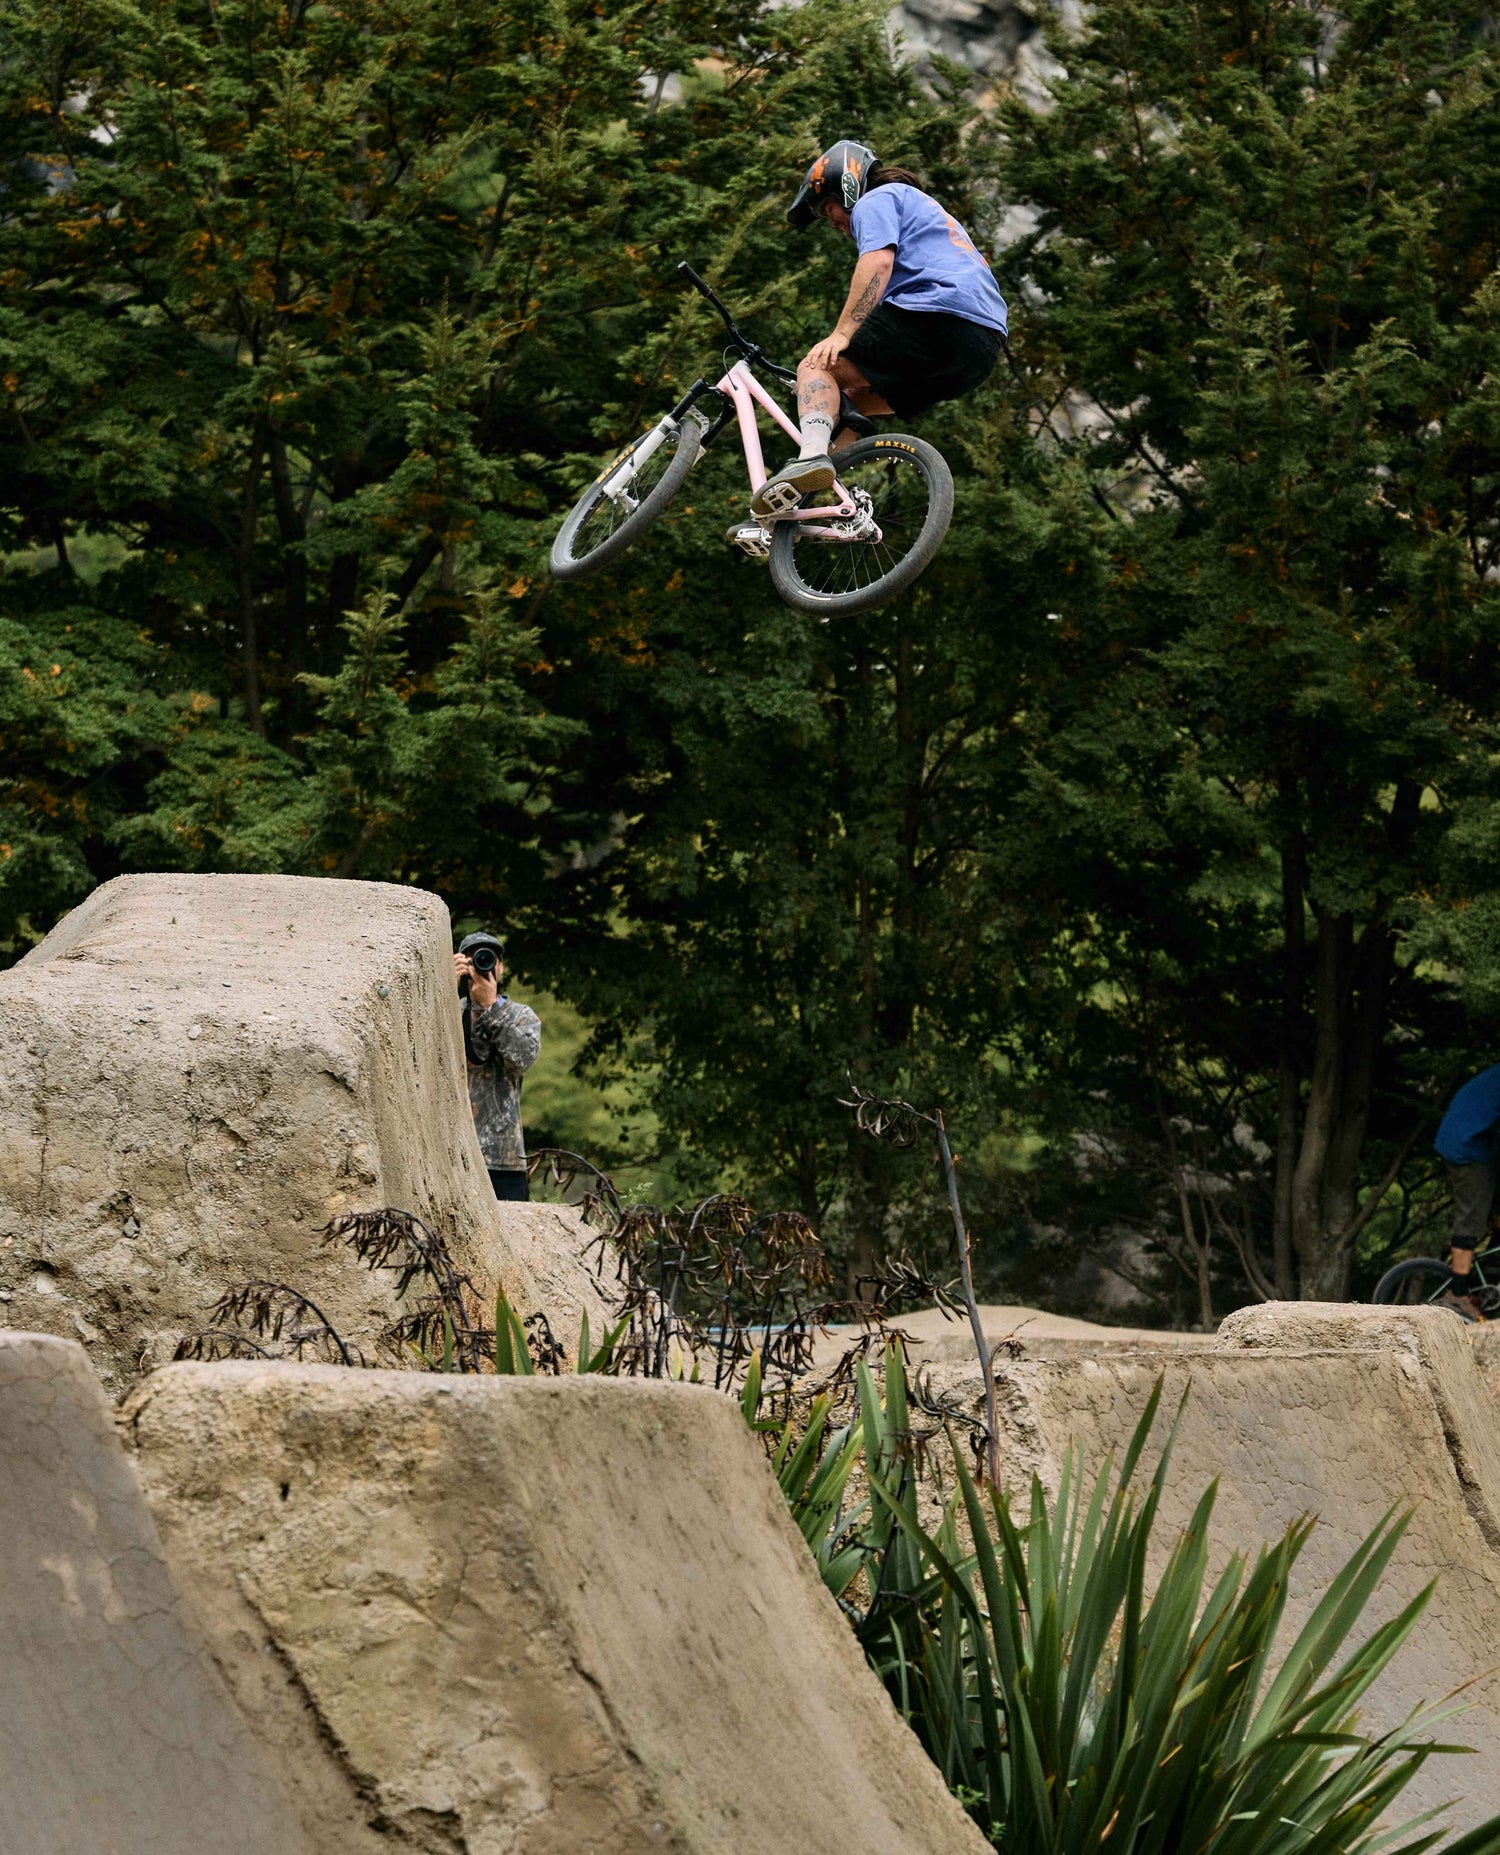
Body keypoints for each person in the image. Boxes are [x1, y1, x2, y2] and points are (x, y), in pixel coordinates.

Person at [750, 139, 1009, 520]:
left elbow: (878, 264)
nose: (834, 221)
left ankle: (810, 458)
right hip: (980, 349)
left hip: (937, 315)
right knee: (848, 398)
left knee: (818, 366)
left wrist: (840, 336)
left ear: (847, 185)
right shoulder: (922, 210)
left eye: (829, 208)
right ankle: (805, 493)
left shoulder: (877, 198)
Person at [453, 931, 541, 1202]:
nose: (483, 964)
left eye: (489, 958)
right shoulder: (449, 1010)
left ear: (500, 966)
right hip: (456, 1155)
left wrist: (492, 1007)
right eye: (474, 958)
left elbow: (521, 1060)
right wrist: (443, 988)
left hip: (505, 1157)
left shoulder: (521, 1015)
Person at [1433, 1061, 1500, 1317]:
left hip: (1474, 1143)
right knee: (1471, 1215)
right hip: (1466, 1149)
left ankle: (1493, 1263)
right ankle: (1457, 1293)